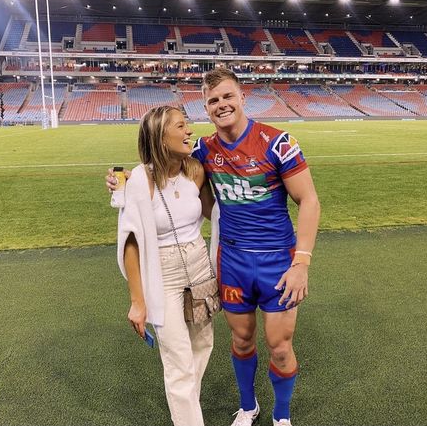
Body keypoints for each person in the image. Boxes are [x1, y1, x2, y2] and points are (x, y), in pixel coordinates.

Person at [108, 68, 320, 426]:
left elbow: (309, 201)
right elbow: (161, 167)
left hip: (277, 260)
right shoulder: (204, 150)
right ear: (205, 107)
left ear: (242, 97)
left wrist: (302, 262)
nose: (221, 105)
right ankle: (248, 407)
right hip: (232, 259)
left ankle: (281, 415)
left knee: (280, 347)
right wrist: (122, 181)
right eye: (212, 100)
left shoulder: (277, 143)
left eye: (227, 96)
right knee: (240, 340)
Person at [117, 105, 215, 426]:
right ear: (161, 138)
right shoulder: (140, 180)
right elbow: (131, 242)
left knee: (202, 345)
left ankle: (185, 406)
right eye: (180, 126)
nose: (189, 131)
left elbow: (215, 213)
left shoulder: (196, 171)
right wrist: (137, 301)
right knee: (178, 359)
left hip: (199, 266)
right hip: (163, 274)